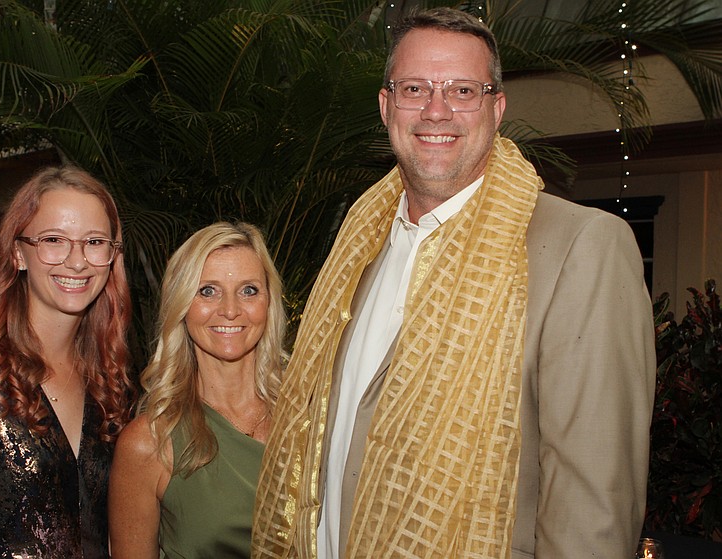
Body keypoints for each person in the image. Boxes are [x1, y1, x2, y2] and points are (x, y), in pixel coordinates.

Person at [253, 7, 656, 559]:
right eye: (415, 88)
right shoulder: (357, 247)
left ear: (497, 108)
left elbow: (594, 510)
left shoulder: (580, 247)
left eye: (463, 90)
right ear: (385, 104)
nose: (436, 110)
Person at [0, 165, 134, 559]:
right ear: (18, 253)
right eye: (53, 239)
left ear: (112, 256)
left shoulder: (114, 384)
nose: (77, 261)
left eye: (95, 241)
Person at [109, 222, 286, 558]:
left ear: (269, 303)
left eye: (248, 290)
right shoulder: (150, 443)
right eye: (207, 291)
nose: (230, 310)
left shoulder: (309, 418)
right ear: (181, 305)